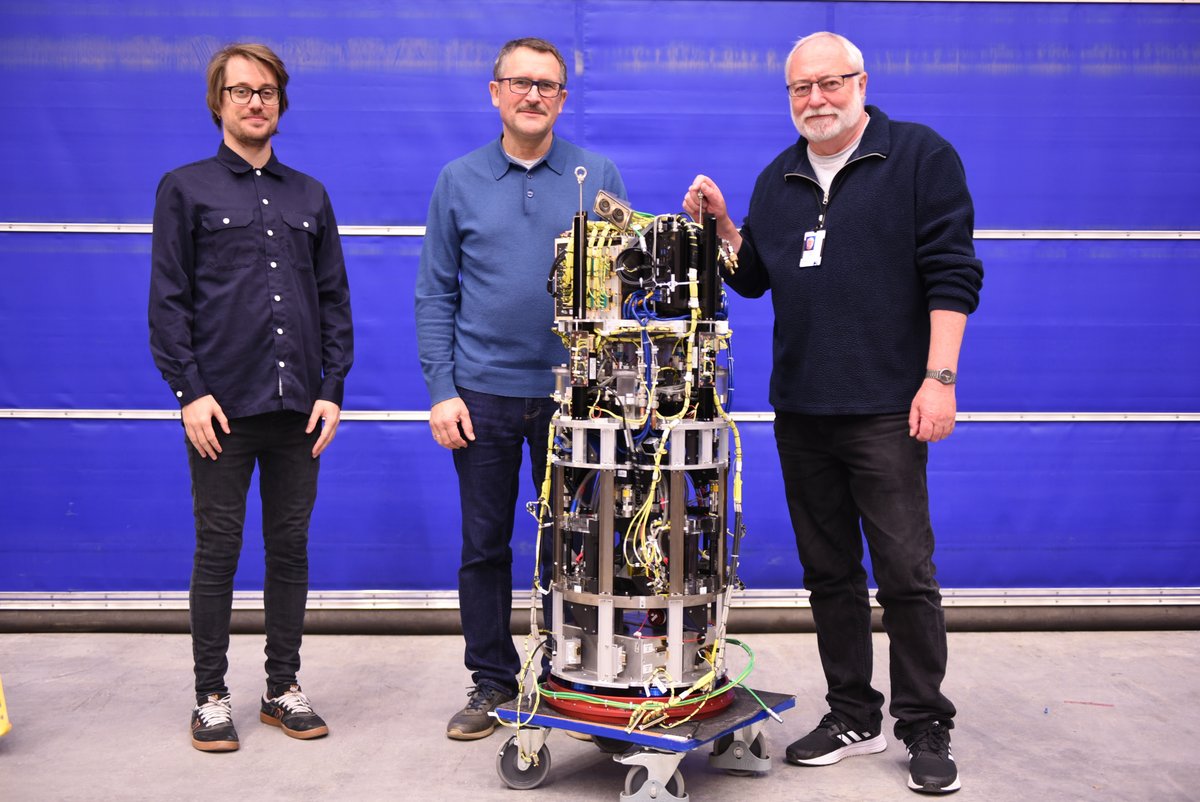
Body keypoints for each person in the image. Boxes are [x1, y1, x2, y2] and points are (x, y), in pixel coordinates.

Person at [683, 31, 982, 795]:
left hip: (886, 405)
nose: (815, 99)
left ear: (860, 81)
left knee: (906, 574)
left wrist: (938, 379)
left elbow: (952, 272)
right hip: (803, 408)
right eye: (799, 89)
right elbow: (752, 279)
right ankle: (853, 713)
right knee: (829, 574)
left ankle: (924, 724)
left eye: (829, 83)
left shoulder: (917, 157)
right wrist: (722, 226)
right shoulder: (776, 176)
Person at [415, 37, 626, 740]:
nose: (533, 95)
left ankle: (580, 677)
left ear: (563, 100)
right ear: (495, 92)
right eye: (520, 82)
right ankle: (492, 681)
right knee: (485, 545)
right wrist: (443, 388)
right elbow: (434, 293)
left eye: (548, 85)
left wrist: (613, 390)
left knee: (585, 544)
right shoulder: (459, 179)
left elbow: (620, 293)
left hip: (578, 399)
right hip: (483, 395)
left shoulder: (598, 177)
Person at [149, 43, 353, 753]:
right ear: (218, 102)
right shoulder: (186, 188)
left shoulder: (310, 196)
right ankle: (210, 696)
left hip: (298, 411)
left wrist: (331, 389)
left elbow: (333, 303)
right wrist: (190, 392)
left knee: (289, 548)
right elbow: (168, 304)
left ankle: (282, 688)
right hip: (221, 413)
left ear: (281, 102)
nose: (255, 102)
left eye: (266, 91)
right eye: (240, 91)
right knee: (218, 550)